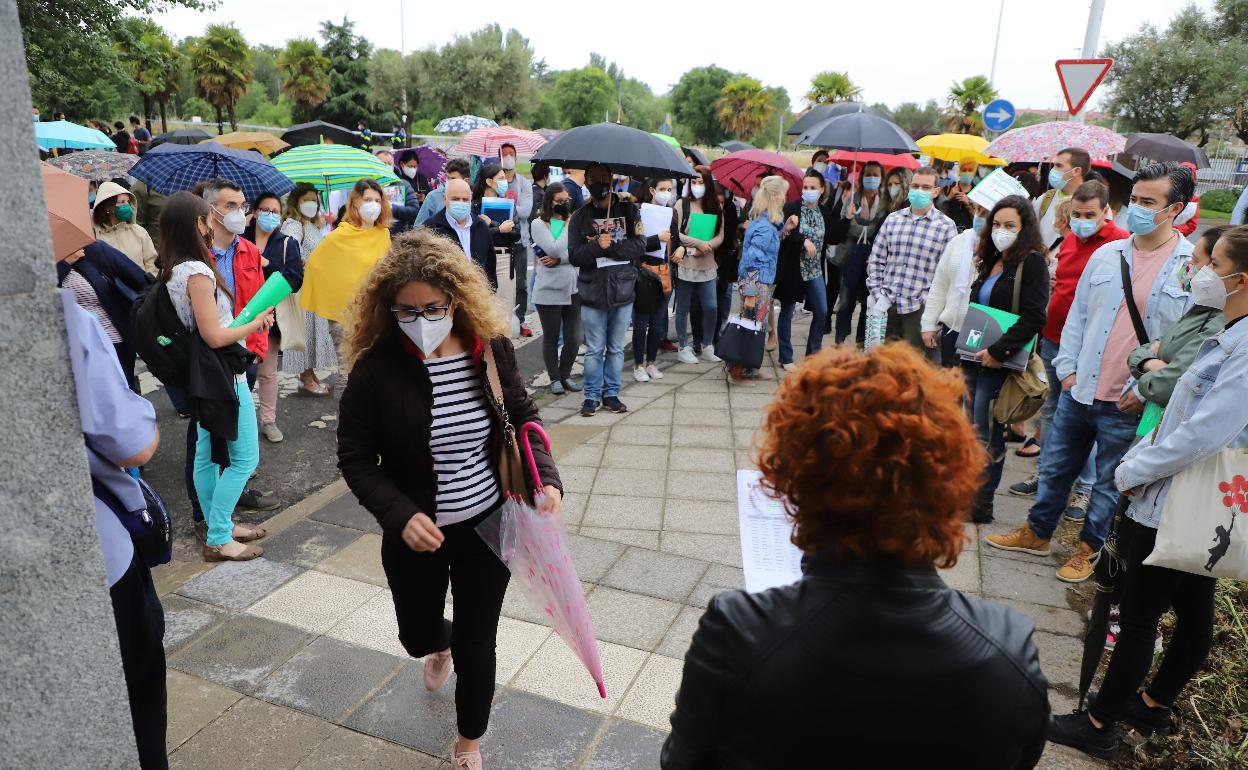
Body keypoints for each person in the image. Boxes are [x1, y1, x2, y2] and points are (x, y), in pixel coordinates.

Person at [661, 342, 1049, 769]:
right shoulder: (1009, 651)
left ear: (796, 480)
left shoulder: (738, 632)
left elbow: (683, 763)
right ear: (948, 480)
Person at [337, 229, 563, 770]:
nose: (420, 320)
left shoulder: (491, 351)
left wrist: (547, 480)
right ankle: (440, 645)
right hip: (417, 533)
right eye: (405, 310)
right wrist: (400, 514)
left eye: (432, 307)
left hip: (489, 523)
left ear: (456, 301)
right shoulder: (375, 370)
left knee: (479, 637)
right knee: (417, 635)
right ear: (387, 309)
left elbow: (525, 416)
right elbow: (355, 458)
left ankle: (469, 742)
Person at [1046, 225, 1248, 760]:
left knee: (1137, 615)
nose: (1201, 274)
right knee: (1192, 603)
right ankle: (1154, 704)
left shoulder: (1245, 349)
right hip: (1182, 495)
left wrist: (1134, 471)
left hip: (1176, 499)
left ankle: (1098, 722)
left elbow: (1205, 432)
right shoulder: (1229, 332)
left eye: (1213, 265)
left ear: (1239, 279)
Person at [987, 163, 1195, 583]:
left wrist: (1146, 388)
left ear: (1174, 208)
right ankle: (1037, 531)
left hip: (1129, 398)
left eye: (1147, 202)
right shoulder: (1107, 254)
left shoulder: (1188, 268)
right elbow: (1078, 318)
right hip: (1079, 388)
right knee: (1056, 465)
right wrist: (1067, 371)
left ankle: (1089, 549)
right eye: (1133, 199)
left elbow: (1186, 341)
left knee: (1107, 482)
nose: (1135, 209)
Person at [61, 286, 168, 769]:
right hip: (93, 551)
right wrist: (148, 423)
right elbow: (133, 444)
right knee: (135, 698)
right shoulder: (62, 319)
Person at [158, 192, 272, 561]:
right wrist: (253, 323)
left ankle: (216, 523)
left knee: (207, 457)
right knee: (244, 460)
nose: (212, 222)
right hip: (223, 374)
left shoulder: (174, 267)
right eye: (206, 217)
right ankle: (220, 535)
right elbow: (214, 335)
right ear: (196, 224)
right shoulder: (198, 271)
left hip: (201, 375)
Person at [1009, 181, 1127, 499]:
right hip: (1053, 337)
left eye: (1089, 214)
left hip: (1090, 348)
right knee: (1050, 410)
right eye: (1076, 213)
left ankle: (1083, 489)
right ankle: (1046, 475)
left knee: (1085, 416)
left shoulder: (1120, 244)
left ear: (1107, 212)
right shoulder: (1071, 237)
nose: (1081, 220)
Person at [961, 196, 1050, 523]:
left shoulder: (1033, 264)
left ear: (1024, 228)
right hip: (973, 357)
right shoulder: (991, 259)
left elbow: (1033, 317)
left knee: (988, 433)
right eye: (996, 224)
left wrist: (999, 352)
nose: (1001, 231)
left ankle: (981, 504)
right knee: (971, 429)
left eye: (1009, 225)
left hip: (1001, 364)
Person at [567, 163, 645, 416]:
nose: (598, 183)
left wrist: (611, 247)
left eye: (602, 178)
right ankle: (591, 395)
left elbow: (639, 246)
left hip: (622, 289)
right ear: (586, 181)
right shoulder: (579, 217)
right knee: (594, 349)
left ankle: (611, 392)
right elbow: (575, 256)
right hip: (592, 292)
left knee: (616, 347)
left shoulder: (629, 210)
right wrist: (595, 248)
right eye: (592, 179)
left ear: (611, 179)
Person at [866, 166, 958, 350]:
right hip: (887, 304)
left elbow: (948, 274)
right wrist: (878, 294)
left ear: (936, 191)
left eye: (925, 187)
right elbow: (876, 260)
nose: (919, 191)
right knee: (882, 365)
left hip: (918, 309)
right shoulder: (893, 219)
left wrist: (928, 304)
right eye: (915, 186)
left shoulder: (946, 226)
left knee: (912, 367)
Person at [243, 191, 304, 443]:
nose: (270, 215)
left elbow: (295, 280)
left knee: (267, 372)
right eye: (265, 210)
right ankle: (240, 422)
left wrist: (267, 263)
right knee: (243, 374)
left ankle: (268, 420)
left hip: (271, 318)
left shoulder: (287, 243)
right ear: (255, 212)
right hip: (241, 315)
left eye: (275, 211)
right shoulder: (239, 239)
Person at [301, 178, 393, 334]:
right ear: (356, 202)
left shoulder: (384, 234)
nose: (374, 205)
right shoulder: (340, 235)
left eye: (378, 201)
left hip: (376, 313)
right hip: (344, 318)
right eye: (368, 200)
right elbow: (315, 264)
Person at [726, 176, 794, 385]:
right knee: (749, 325)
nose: (785, 198)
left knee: (757, 326)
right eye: (783, 194)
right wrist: (750, 292)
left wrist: (785, 230)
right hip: (756, 283)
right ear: (775, 197)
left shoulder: (765, 222)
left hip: (759, 282)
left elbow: (766, 247)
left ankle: (750, 367)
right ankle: (737, 371)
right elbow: (752, 259)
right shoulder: (764, 226)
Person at [57, 240, 150, 391]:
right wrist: (63, 265)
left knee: (122, 394)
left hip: (112, 341)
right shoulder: (43, 265)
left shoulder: (94, 250)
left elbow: (142, 282)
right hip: (75, 349)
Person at [278, 184, 336, 396]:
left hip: (314, 288)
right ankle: (305, 377)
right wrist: (302, 262)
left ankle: (310, 374)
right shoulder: (293, 225)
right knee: (304, 333)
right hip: (301, 288)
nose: (311, 204)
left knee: (313, 332)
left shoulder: (311, 224)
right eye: (306, 200)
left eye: (314, 200)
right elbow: (287, 251)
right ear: (296, 202)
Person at [775, 170, 833, 370]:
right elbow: (784, 237)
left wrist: (847, 218)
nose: (808, 191)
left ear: (822, 190)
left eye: (813, 188)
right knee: (787, 311)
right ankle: (786, 356)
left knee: (822, 311)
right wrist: (802, 239)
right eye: (805, 187)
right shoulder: (792, 208)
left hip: (815, 270)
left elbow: (833, 236)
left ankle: (813, 355)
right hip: (794, 269)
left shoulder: (824, 211)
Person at [921, 203, 990, 367]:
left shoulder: (1004, 249)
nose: (980, 217)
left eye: (986, 213)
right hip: (951, 329)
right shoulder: (959, 241)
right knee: (948, 384)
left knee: (972, 388)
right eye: (978, 211)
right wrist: (929, 323)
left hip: (982, 331)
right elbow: (940, 284)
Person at [530, 185, 582, 394]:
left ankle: (565, 373)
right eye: (559, 200)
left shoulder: (573, 221)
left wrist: (561, 260)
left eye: (566, 200)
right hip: (549, 290)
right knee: (551, 337)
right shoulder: (538, 223)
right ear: (549, 201)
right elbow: (553, 248)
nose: (564, 204)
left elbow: (577, 252)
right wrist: (566, 224)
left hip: (572, 288)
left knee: (574, 337)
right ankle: (554, 378)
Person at [672, 169, 723, 364]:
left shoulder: (714, 205)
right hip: (686, 262)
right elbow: (676, 233)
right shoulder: (681, 204)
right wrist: (697, 243)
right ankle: (683, 346)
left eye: (700, 182)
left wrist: (709, 245)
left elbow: (721, 234)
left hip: (707, 262)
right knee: (683, 306)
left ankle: (707, 345)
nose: (696, 186)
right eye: (693, 182)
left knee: (711, 306)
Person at [634, 179, 680, 381]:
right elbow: (635, 244)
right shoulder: (641, 212)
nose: (666, 193)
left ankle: (651, 362)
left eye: (669, 190)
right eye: (662, 189)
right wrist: (656, 239)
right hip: (645, 272)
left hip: (665, 272)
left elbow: (677, 239)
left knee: (657, 324)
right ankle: (638, 364)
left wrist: (681, 248)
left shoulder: (671, 213)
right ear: (652, 190)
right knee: (641, 322)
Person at [424, 178, 497, 282]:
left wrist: (491, 291)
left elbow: (490, 263)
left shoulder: (480, 226)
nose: (461, 203)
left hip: (477, 293)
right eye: (455, 199)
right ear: (445, 199)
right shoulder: (432, 227)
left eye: (465, 199)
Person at [498, 144, 535, 335]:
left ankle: (520, 319)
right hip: (498, 239)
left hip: (519, 239)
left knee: (520, 282)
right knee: (499, 281)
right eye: (504, 154)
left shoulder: (523, 183)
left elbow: (525, 211)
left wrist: (503, 207)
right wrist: (511, 208)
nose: (508, 157)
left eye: (511, 154)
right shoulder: (496, 181)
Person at [93, 181, 158, 275]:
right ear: (108, 207)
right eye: (122, 202)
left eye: (128, 201)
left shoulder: (139, 232)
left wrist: (149, 282)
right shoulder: (96, 237)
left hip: (142, 287)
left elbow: (151, 261)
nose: (127, 206)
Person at [473, 163, 521, 293]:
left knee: (505, 306)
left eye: (505, 178)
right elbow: (477, 236)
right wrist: (499, 229)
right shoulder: (475, 205)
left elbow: (516, 233)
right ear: (489, 181)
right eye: (501, 178)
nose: (505, 182)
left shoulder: (508, 204)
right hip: (482, 261)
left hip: (505, 260)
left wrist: (493, 224)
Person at [1034, 147, 1090, 246]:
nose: (1053, 170)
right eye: (1054, 165)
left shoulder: (1094, 204)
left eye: (1059, 166)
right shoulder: (1046, 198)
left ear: (1076, 171)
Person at [417, 159, 471, 226]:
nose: (449, 181)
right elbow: (418, 227)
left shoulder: (471, 198)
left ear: (466, 181)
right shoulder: (433, 196)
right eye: (448, 178)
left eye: (453, 178)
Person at [941, 159, 979, 232]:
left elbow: (979, 217)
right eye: (964, 170)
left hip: (968, 232)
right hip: (949, 230)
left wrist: (968, 203)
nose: (967, 173)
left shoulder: (977, 191)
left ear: (974, 173)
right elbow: (939, 210)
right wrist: (949, 197)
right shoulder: (948, 188)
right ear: (959, 172)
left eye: (970, 170)